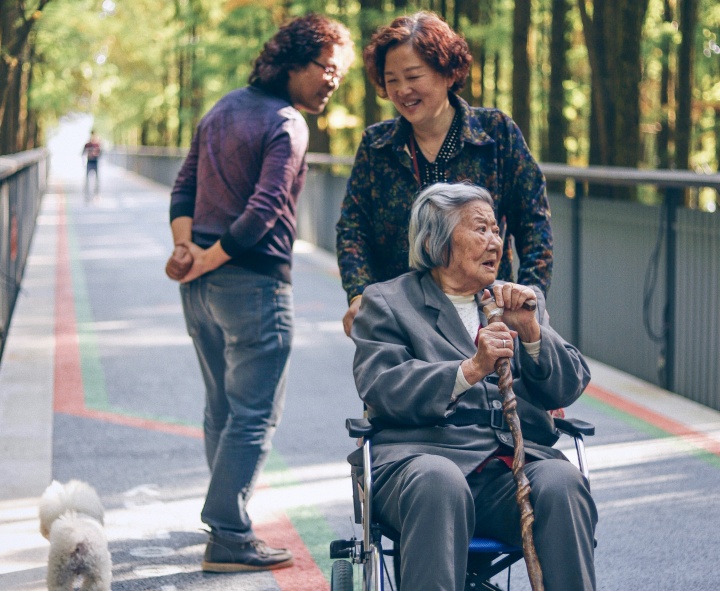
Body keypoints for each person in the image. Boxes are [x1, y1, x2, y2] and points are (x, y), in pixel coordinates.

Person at [166, 13, 354, 572]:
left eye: (339, 76)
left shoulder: (221, 108)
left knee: (221, 407)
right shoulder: (287, 122)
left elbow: (183, 187)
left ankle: (226, 518)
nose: (332, 82)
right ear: (296, 61)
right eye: (327, 69)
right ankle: (227, 532)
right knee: (254, 415)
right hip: (251, 284)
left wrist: (186, 251)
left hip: (198, 287)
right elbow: (266, 209)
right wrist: (210, 255)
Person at [350, 182, 597, 591]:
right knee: (439, 481)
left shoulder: (516, 300)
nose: (495, 242)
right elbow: (381, 385)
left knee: (561, 482)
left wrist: (533, 333)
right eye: (480, 230)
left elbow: (569, 385)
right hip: (421, 460)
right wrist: (469, 369)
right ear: (438, 240)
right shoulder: (388, 301)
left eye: (496, 231)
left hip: (508, 471)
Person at [336, 11, 552, 336]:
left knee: (487, 387)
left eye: (413, 76)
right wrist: (359, 293)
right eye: (392, 79)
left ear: (448, 73)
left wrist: (530, 296)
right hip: (401, 319)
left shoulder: (496, 133)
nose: (402, 90)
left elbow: (534, 222)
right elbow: (353, 228)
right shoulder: (376, 146)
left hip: (485, 317)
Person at [81, 130, 102, 199]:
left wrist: (96, 154)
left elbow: (101, 153)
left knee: (97, 179)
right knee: (87, 179)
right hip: (89, 162)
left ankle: (96, 194)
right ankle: (87, 194)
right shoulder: (87, 144)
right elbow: (83, 153)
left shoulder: (97, 144)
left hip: (95, 162)